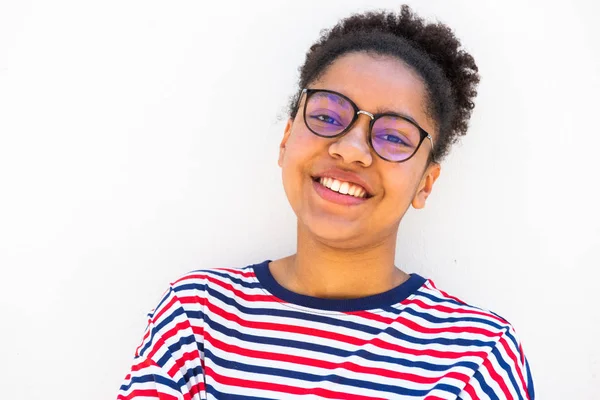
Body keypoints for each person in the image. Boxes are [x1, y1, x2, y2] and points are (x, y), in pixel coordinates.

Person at [117, 5, 534, 399]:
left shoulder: (476, 356)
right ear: (286, 140)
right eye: (328, 117)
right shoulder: (197, 319)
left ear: (425, 183)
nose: (352, 149)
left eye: (394, 136)